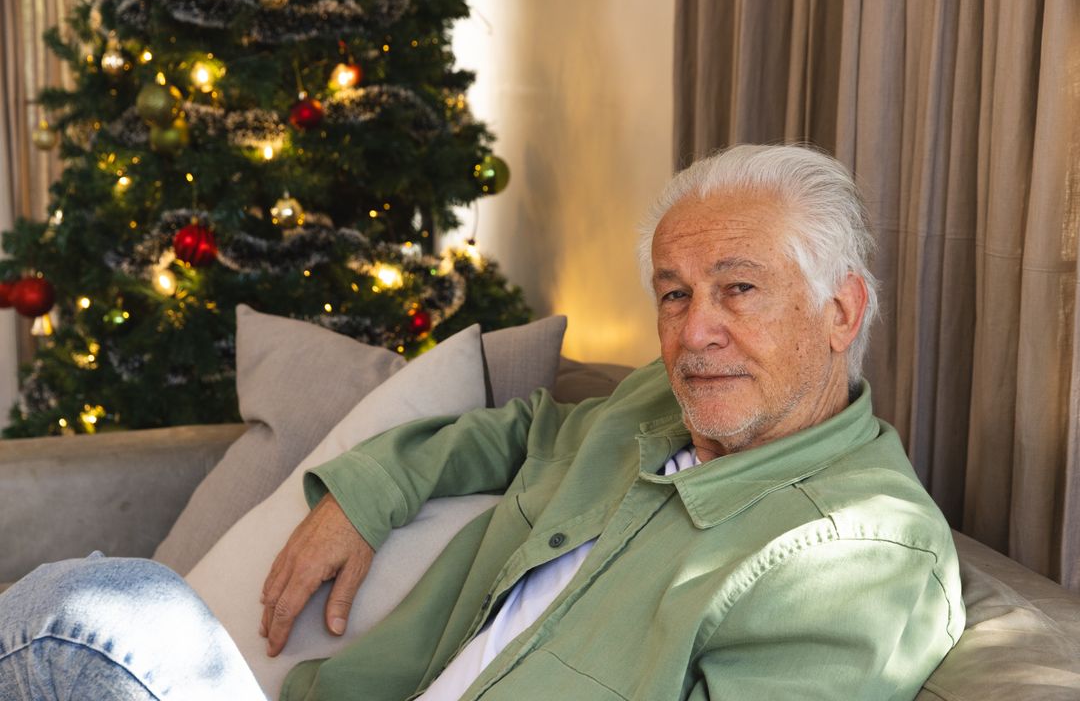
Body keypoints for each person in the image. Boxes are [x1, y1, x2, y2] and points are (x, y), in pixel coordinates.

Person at [0, 144, 964, 700]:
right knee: (84, 606)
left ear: (841, 311)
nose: (694, 331)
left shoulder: (859, 556)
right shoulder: (659, 404)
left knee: (89, 618)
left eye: (738, 288)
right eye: (674, 293)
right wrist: (368, 495)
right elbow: (518, 430)